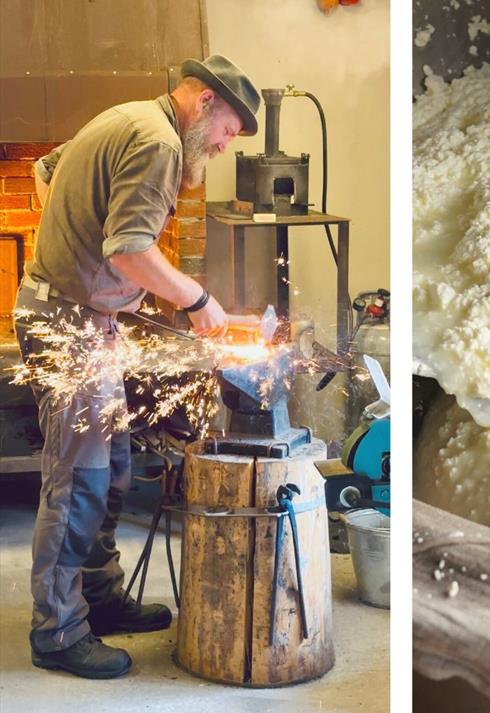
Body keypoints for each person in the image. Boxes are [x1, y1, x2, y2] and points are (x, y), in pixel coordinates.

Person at [14, 55, 260, 679]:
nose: (228, 144)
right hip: (67, 325)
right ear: (204, 101)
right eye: (231, 129)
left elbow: (47, 170)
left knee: (113, 463)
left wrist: (70, 239)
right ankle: (58, 631)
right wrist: (198, 301)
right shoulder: (157, 142)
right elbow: (128, 249)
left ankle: (96, 600)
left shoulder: (128, 118)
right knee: (79, 480)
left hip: (84, 319)